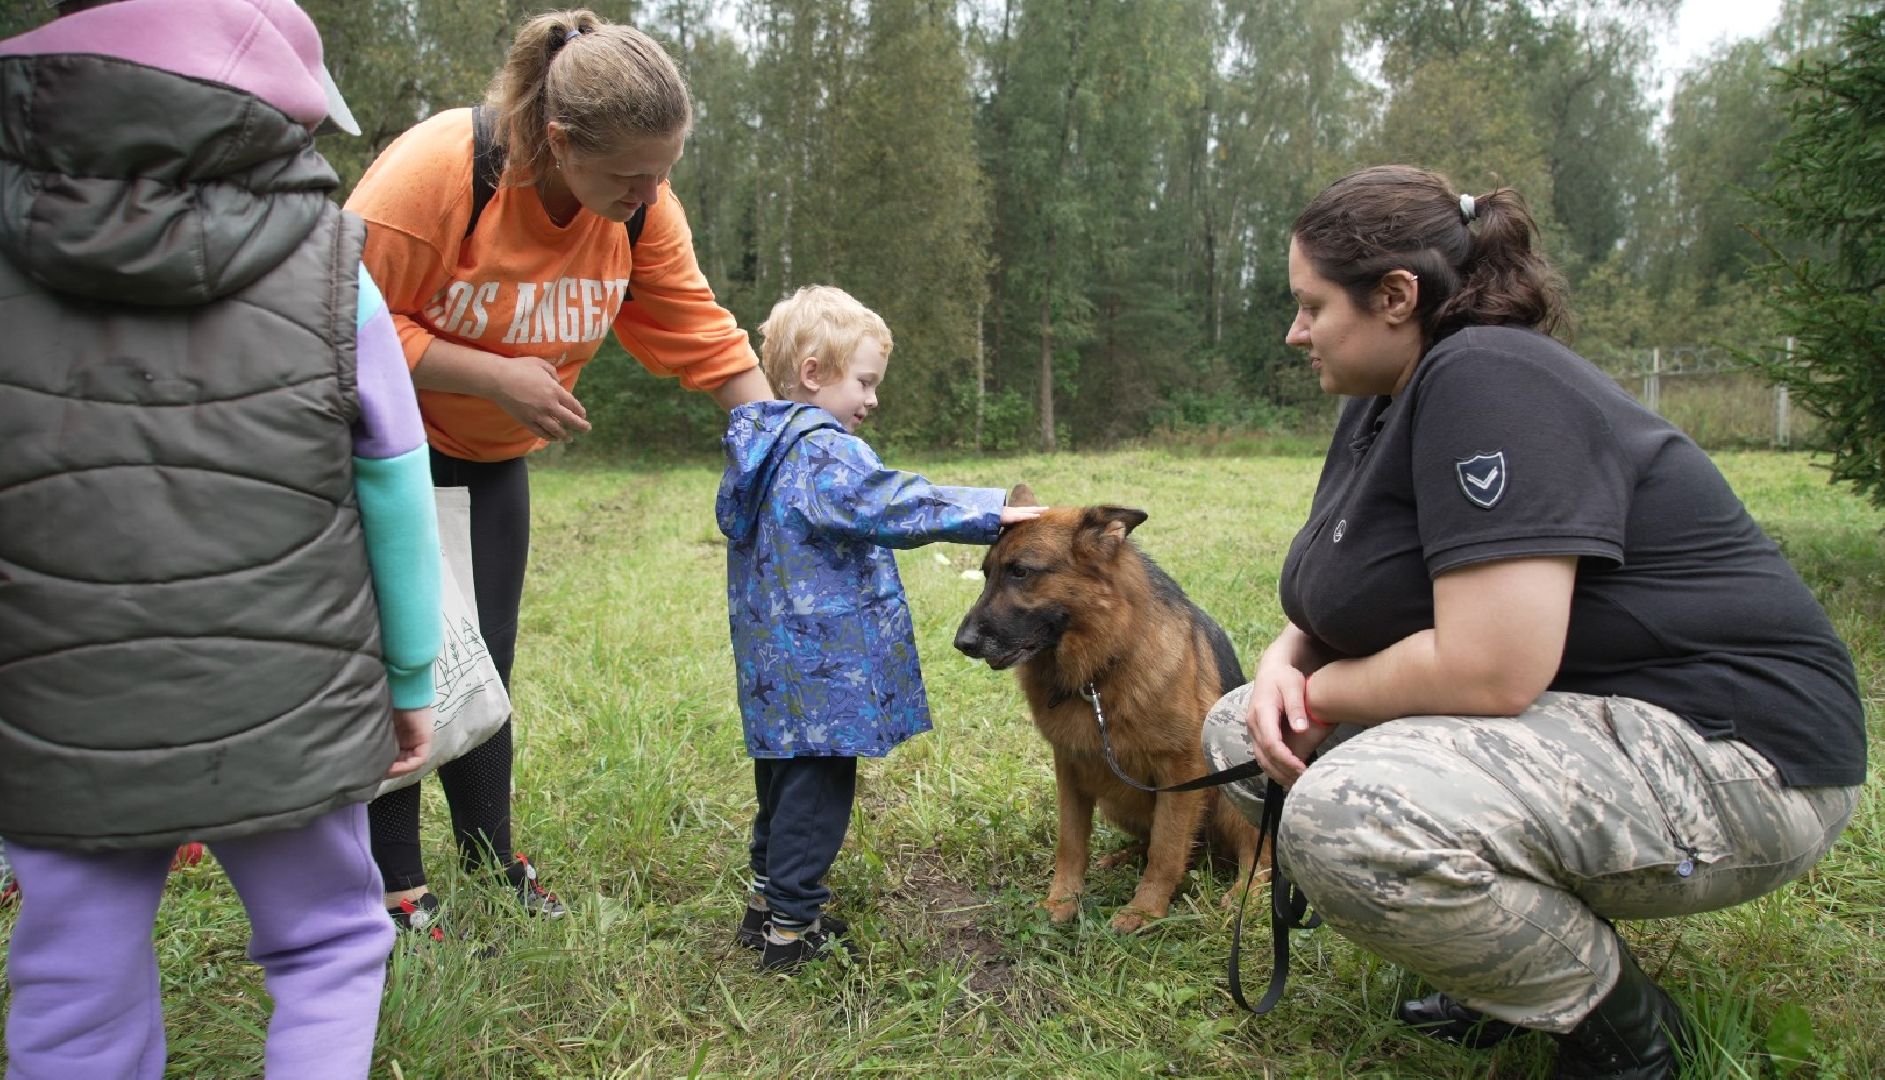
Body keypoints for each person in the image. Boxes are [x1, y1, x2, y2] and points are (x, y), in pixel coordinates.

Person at [1199, 165, 1865, 1079]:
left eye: (1312, 306)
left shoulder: (1488, 379)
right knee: (1244, 730)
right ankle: (1505, 957)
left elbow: (1491, 668)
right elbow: (1345, 588)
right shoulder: (1384, 397)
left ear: (1394, 297)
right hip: (1594, 712)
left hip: (1738, 749)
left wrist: (1318, 692)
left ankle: (1628, 1038)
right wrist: (1285, 661)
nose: (1295, 331)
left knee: (1345, 812)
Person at [0, 0, 441, 1076]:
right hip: (287, 693)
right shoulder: (332, 266)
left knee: (72, 983)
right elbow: (393, 479)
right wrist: (410, 676)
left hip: (55, 704)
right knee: (329, 945)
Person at [345, 8, 773, 930]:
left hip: (490, 461)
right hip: (379, 455)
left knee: (483, 667)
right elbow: (338, 325)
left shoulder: (639, 206)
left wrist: (785, 444)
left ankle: (491, 857)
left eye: (662, 173)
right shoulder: (437, 175)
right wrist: (490, 373)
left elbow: (702, 334)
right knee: (403, 666)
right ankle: (396, 888)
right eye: (630, 177)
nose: (649, 194)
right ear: (559, 139)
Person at [718, 286, 1045, 973]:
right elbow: (889, 502)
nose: (872, 399)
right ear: (814, 374)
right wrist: (988, 513)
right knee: (817, 796)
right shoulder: (823, 452)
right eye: (864, 382)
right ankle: (792, 934)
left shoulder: (766, 448)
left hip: (776, 670)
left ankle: (764, 908)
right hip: (825, 671)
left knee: (780, 785)